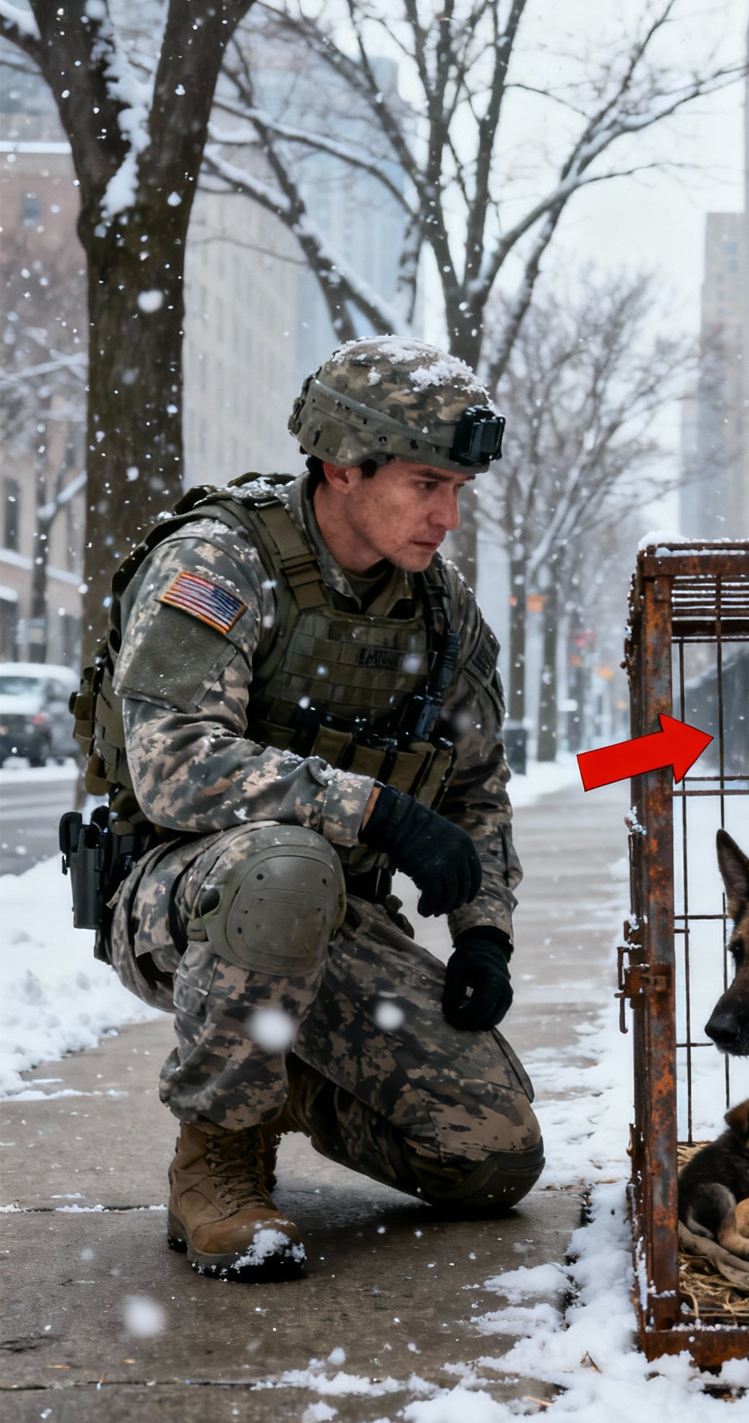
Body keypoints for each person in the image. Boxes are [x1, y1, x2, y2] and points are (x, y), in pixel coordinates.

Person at [73, 337, 543, 1280]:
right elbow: (173, 765)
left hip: (338, 917)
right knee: (284, 866)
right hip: (189, 897)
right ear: (341, 463)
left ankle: (284, 1074)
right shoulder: (218, 564)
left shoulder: (441, 611)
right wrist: (373, 811)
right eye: (424, 484)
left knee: (489, 1156)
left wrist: (483, 930)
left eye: (458, 488)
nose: (447, 516)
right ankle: (219, 1163)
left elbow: (477, 786)